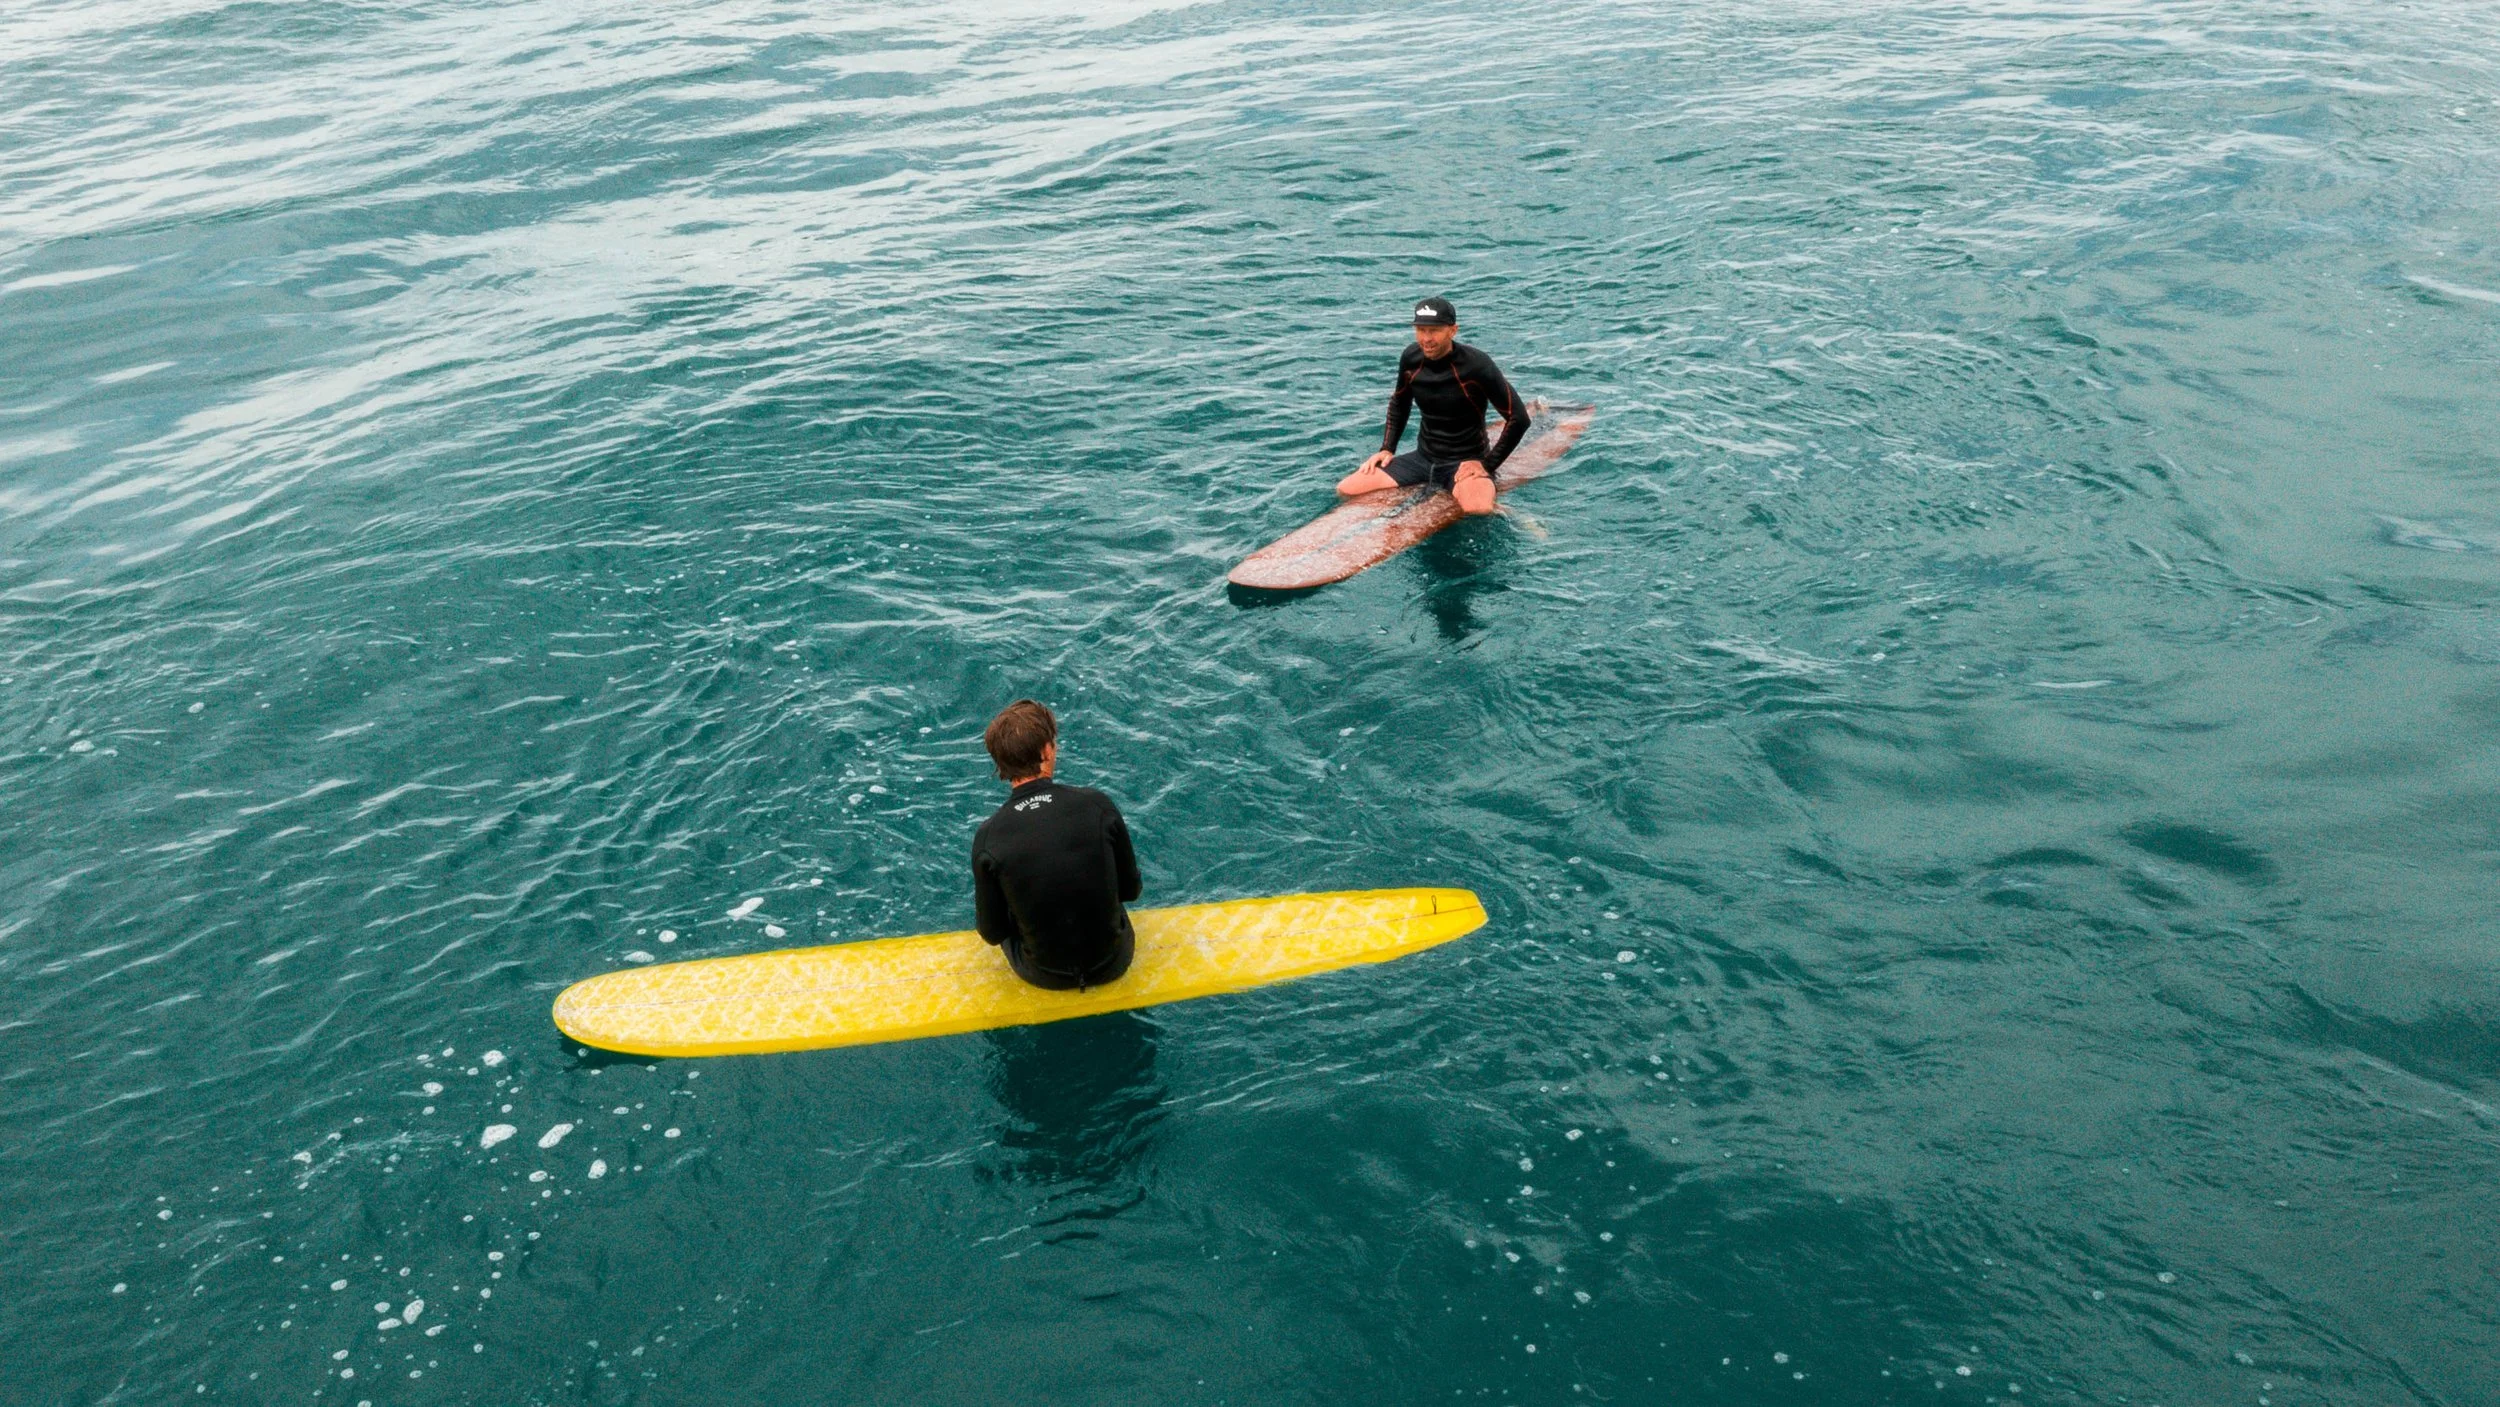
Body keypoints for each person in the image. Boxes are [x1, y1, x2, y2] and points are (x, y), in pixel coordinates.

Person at [971, 700, 1141, 990]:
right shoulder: (1098, 805)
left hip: (1043, 975)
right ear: (1046, 751)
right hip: (1114, 961)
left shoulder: (988, 836)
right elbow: (1130, 891)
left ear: (1000, 764)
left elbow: (992, 932)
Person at [1335, 296, 1531, 516]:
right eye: (1421, 330)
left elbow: (1519, 418)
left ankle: (1507, 509)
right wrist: (1387, 448)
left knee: (1478, 509)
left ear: (1453, 330)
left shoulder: (1476, 365)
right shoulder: (1411, 358)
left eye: (1434, 331)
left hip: (1463, 463)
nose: (1426, 339)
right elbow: (1400, 401)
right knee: (1347, 488)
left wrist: (1487, 465)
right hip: (1422, 459)